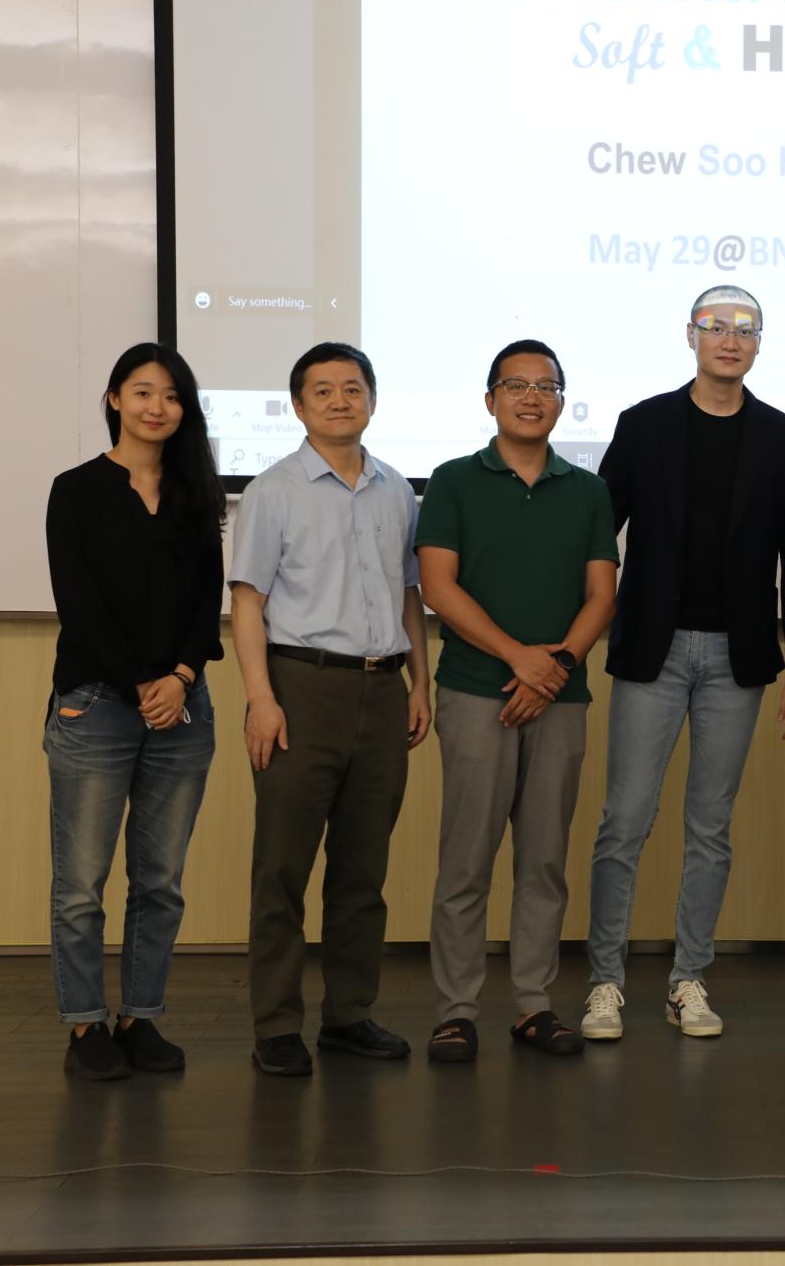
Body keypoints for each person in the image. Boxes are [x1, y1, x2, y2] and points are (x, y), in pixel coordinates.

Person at [579, 284, 785, 1042]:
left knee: (710, 826)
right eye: (716, 325)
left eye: (745, 327)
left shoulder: (783, 437)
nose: (730, 338)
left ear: (758, 343)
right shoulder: (644, 424)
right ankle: (605, 982)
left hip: (736, 655)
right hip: (653, 648)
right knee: (624, 821)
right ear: (691, 335)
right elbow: (595, 530)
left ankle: (689, 978)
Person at [230, 341, 432, 1078]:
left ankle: (349, 1015)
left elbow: (408, 594)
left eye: (353, 388)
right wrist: (261, 699)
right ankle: (277, 1025)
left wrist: (420, 683)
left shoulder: (396, 490)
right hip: (300, 690)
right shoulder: (273, 490)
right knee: (282, 870)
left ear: (372, 400)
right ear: (298, 406)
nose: (340, 400)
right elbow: (247, 601)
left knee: (362, 871)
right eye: (323, 390)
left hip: (382, 690)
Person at [418, 339, 619, 1061]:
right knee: (466, 860)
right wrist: (519, 658)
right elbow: (438, 587)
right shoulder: (453, 480)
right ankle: (456, 1010)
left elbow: (602, 595)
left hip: (560, 698)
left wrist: (554, 668)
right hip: (476, 691)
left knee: (543, 861)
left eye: (546, 386)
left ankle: (534, 1004)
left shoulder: (588, 490)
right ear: (490, 399)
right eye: (516, 385)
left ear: (562, 401)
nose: (532, 397)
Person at [43, 342, 225, 1080]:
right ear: (115, 399)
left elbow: (205, 601)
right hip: (96, 705)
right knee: (81, 885)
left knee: (159, 882)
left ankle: (139, 1016)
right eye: (144, 392)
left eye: (172, 395)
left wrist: (180, 676)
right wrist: (141, 684)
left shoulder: (195, 491)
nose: (158, 406)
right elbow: (79, 605)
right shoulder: (76, 490)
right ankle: (86, 1025)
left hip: (182, 707)